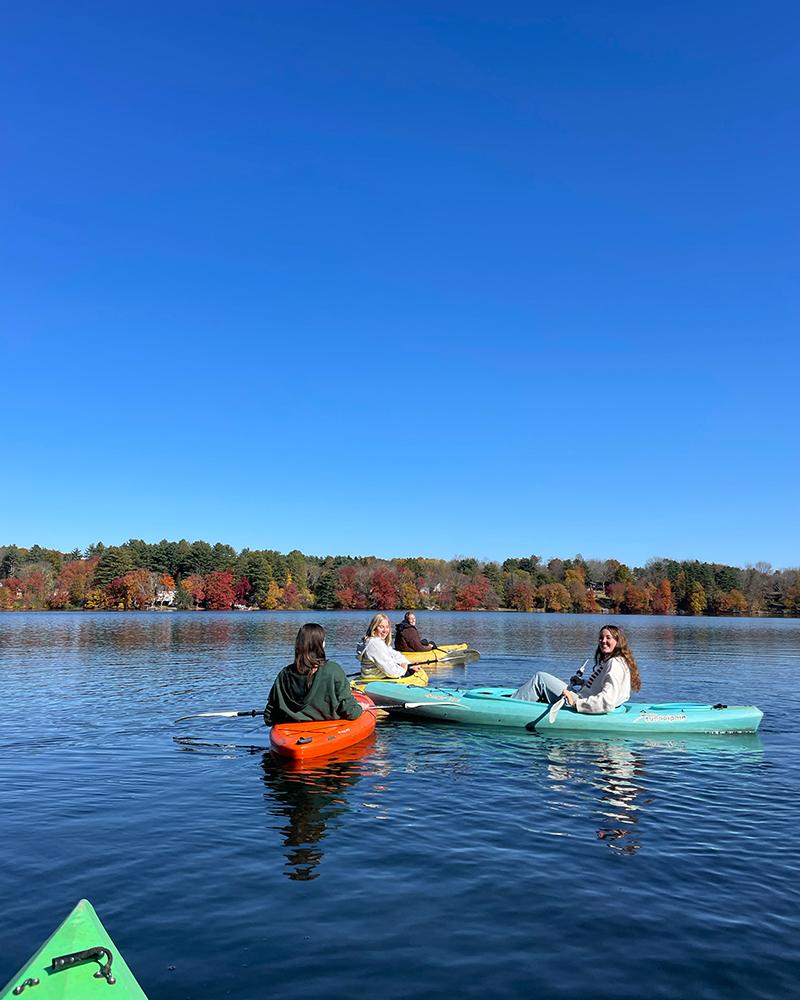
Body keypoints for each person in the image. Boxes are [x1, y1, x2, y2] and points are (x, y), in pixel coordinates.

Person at [513, 624, 641, 713]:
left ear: (617, 641)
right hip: (582, 698)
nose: (603, 641)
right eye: (601, 638)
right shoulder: (617, 661)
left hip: (579, 701)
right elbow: (602, 687)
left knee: (540, 678)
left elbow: (607, 701)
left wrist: (575, 703)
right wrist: (582, 683)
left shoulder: (614, 664)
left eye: (608, 638)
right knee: (541, 679)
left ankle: (508, 705)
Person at [264, 622, 363, 725]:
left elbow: (269, 717)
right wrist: (360, 708)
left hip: (292, 731)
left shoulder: (284, 674)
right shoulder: (333, 670)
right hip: (327, 731)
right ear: (320, 644)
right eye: (324, 640)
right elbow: (352, 713)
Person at [356, 613, 424, 678]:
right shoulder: (375, 644)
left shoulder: (377, 642)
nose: (385, 631)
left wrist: (408, 665)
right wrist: (404, 669)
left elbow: (394, 654)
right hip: (378, 678)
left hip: (372, 675)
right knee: (413, 673)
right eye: (381, 627)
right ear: (374, 628)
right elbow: (391, 672)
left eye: (387, 627)